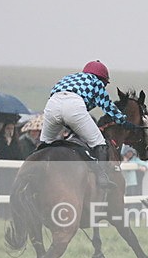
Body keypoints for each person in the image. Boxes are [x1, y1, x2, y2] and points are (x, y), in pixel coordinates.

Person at [40, 60, 136, 190]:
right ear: (102, 79)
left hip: (52, 105)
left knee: (45, 143)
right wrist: (123, 121)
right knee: (99, 142)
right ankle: (102, 178)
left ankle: (33, 170)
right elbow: (107, 106)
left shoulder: (68, 78)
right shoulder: (96, 82)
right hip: (74, 106)